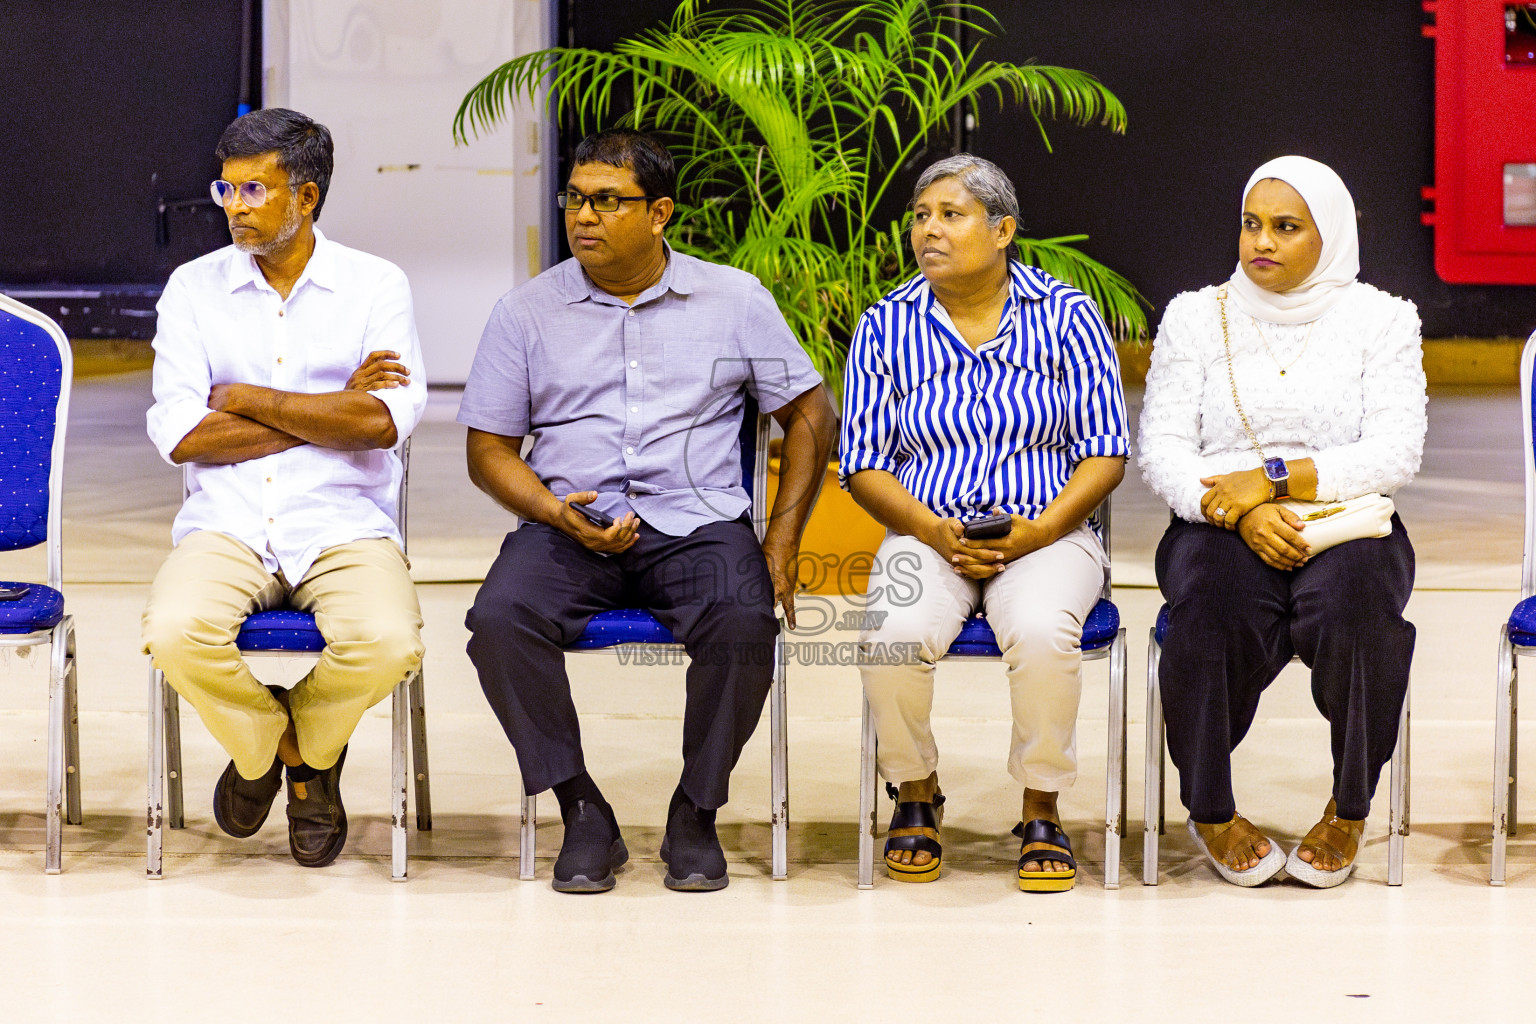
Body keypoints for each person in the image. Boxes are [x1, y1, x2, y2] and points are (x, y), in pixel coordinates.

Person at [460, 128, 837, 894]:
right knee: (499, 621)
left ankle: (694, 812)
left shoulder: (732, 300)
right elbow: (489, 449)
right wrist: (554, 510)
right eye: (575, 199)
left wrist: (783, 537)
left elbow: (810, 413)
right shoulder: (527, 312)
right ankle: (581, 807)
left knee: (741, 619)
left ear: (659, 212)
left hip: (696, 525)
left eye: (608, 201)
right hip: (569, 527)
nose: (583, 217)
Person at [141, 108, 427, 868]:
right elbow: (181, 435)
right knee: (174, 631)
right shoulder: (193, 288)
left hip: (343, 521)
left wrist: (244, 397)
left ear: (306, 198)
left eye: (254, 191)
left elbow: (383, 421)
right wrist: (329, 409)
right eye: (227, 189)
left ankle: (285, 755)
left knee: (390, 641)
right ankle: (288, 755)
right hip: (226, 522)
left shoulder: (374, 285)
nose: (233, 207)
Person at [840, 154, 1129, 892]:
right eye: (919, 217)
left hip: (1049, 531)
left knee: (1039, 630)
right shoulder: (885, 324)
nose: (928, 231)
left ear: (1001, 231)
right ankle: (914, 789)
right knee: (892, 630)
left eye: (950, 215)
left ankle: (1040, 804)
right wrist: (934, 532)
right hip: (927, 530)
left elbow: (1104, 453)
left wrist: (1039, 531)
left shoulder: (1066, 316)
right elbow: (864, 463)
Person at [1138, 155, 1426, 888]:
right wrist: (1235, 512)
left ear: (1327, 235)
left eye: (1285, 227)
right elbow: (1164, 448)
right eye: (1251, 224)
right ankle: (1210, 807)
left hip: (1344, 520)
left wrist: (1275, 481)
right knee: (1209, 608)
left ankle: (1349, 806)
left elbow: (1396, 450)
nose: (1261, 241)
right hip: (1219, 522)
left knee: (1359, 610)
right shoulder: (1196, 316)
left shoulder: (1383, 320)